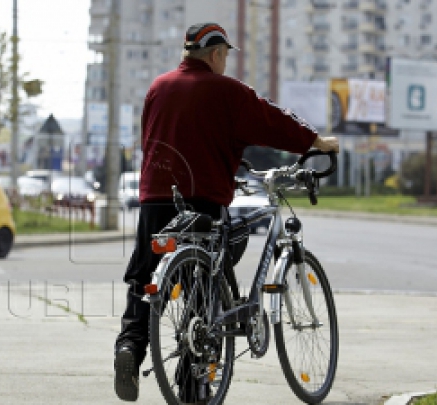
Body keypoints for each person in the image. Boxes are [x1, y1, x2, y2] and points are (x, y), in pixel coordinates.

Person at [113, 22, 339, 403]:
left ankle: (129, 349)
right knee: (208, 278)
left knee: (143, 277)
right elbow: (271, 120)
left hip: (155, 198)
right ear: (216, 54)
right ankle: (193, 385)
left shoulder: (158, 87)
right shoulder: (228, 91)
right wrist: (315, 140)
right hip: (203, 200)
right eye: (225, 56)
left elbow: (149, 138)